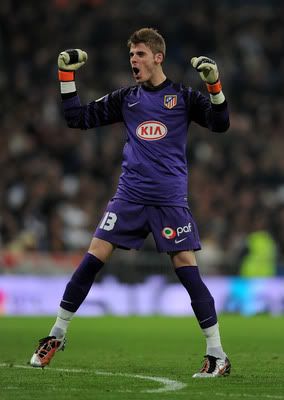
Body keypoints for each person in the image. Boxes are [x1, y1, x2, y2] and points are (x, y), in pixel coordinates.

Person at [30, 28, 231, 378]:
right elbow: (76, 117)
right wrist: (66, 76)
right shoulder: (127, 98)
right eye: (131, 56)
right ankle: (56, 335)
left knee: (187, 272)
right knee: (92, 260)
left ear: (157, 57)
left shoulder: (183, 97)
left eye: (139, 55)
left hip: (169, 201)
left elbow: (221, 123)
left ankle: (217, 354)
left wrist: (214, 85)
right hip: (130, 198)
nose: (133, 61)